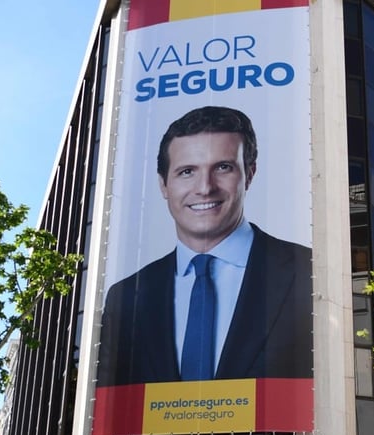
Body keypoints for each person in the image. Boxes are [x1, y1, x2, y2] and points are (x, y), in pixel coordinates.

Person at [96, 105, 313, 387]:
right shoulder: (126, 297)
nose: (205, 188)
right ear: (163, 185)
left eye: (223, 168)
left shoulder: (308, 272)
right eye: (187, 171)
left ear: (250, 174)